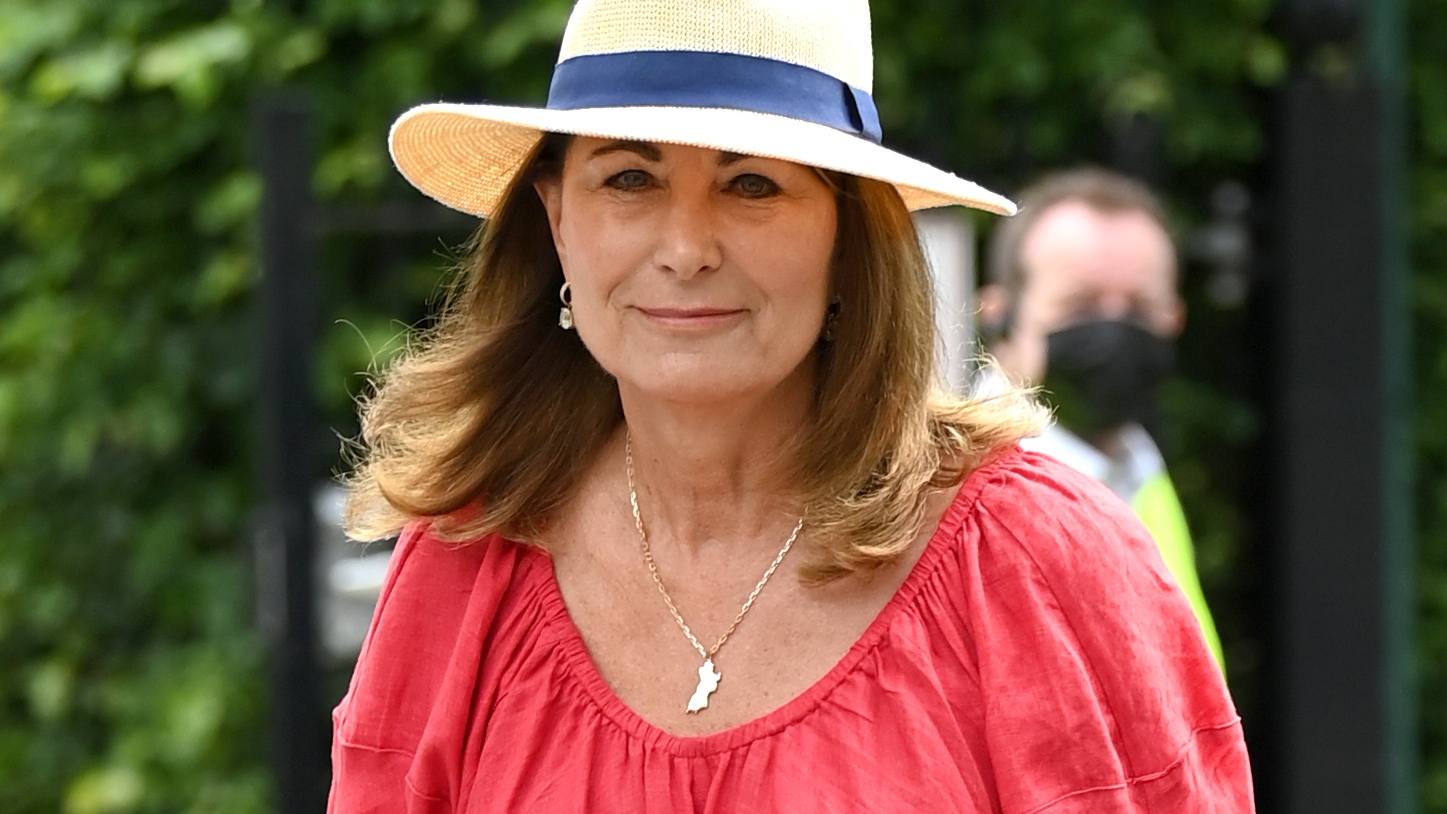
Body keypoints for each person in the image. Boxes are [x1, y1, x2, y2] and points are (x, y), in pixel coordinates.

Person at [330, 1, 1253, 810]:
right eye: (629, 178)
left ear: (848, 236)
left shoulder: (1033, 566)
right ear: (557, 221)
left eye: (751, 184)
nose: (686, 246)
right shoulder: (465, 561)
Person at [977, 168, 1226, 668]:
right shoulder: (962, 493)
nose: (1113, 328)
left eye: (1139, 307)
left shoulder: (1140, 472)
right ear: (999, 315)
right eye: (1080, 304)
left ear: (1174, 319)